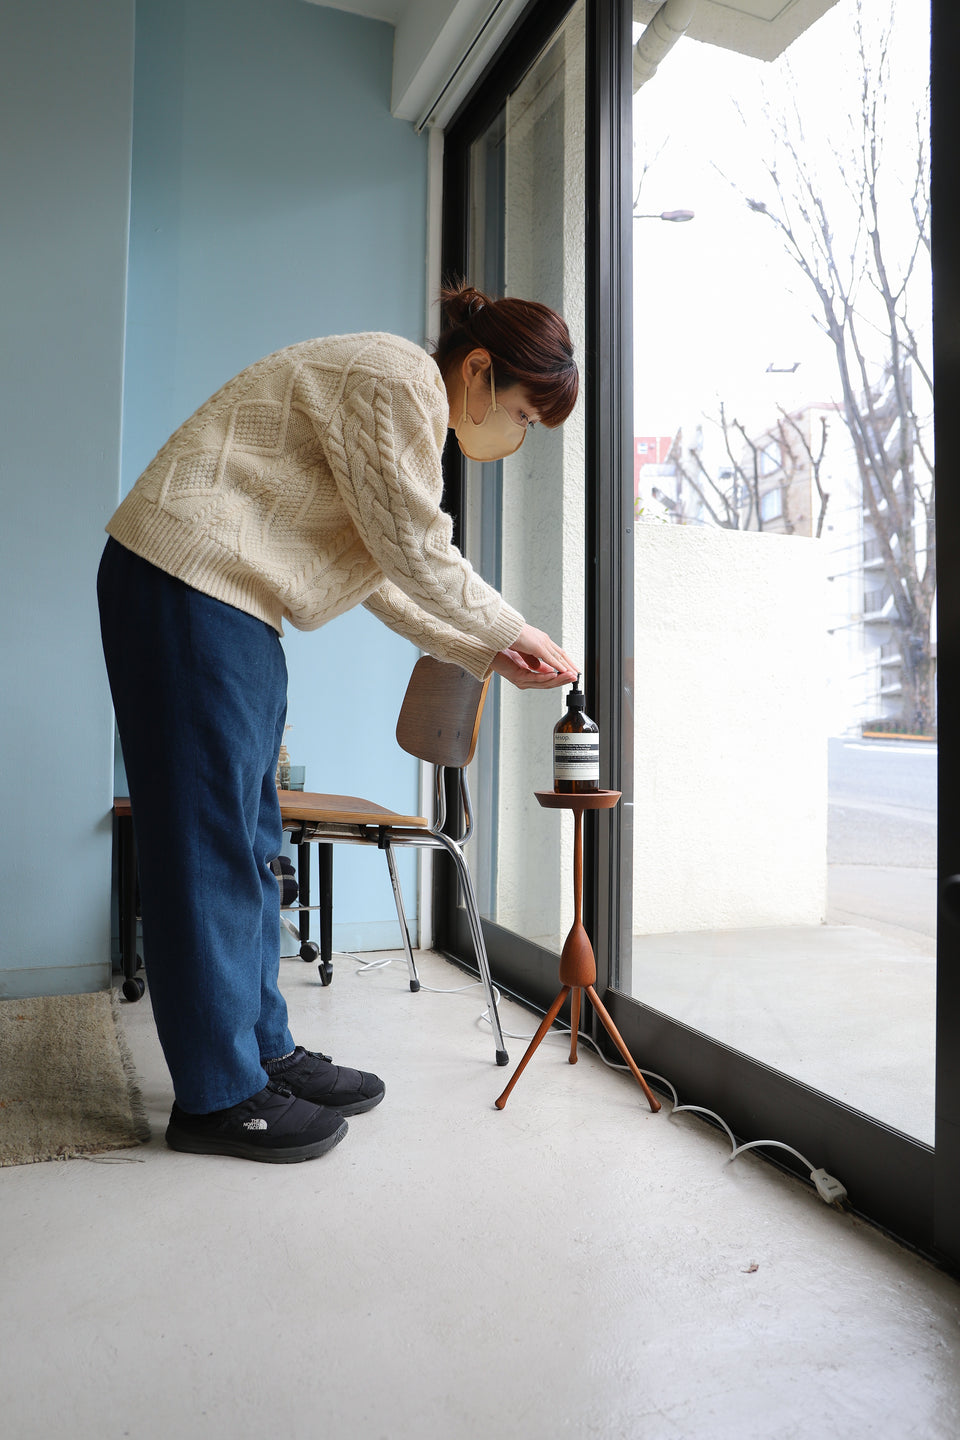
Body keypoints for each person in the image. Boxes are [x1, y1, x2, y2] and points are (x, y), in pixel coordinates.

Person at [97, 283, 580, 1163]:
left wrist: (487, 651)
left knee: (251, 844)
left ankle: (263, 1052)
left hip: (227, 599)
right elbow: (419, 553)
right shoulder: (399, 378)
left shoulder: (405, 410)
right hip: (189, 581)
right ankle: (217, 1096)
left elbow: (383, 574)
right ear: (478, 369)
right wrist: (514, 629)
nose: (516, 436)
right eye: (520, 413)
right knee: (209, 847)